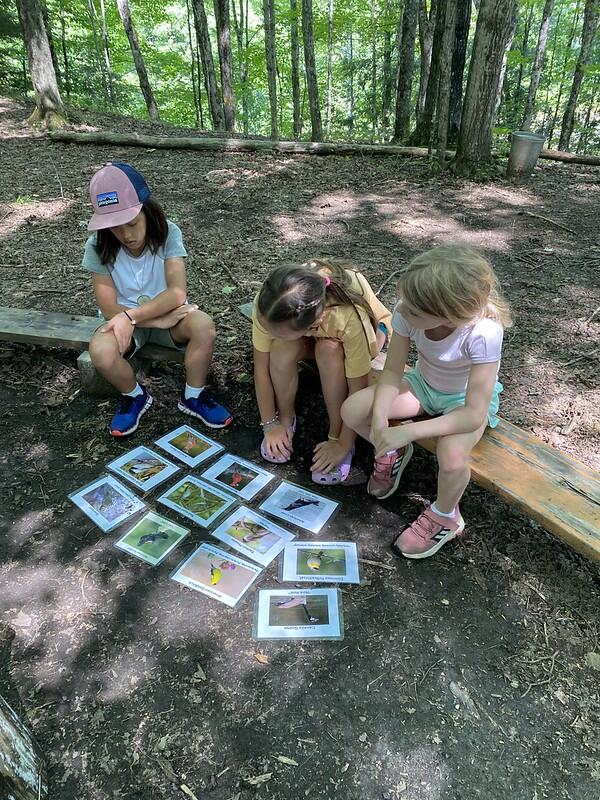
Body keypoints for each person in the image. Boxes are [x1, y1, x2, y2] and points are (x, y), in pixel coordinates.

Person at [341, 244, 512, 558]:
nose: (402, 312)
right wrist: (380, 419)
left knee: (451, 454)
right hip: (423, 385)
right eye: (406, 304)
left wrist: (407, 431)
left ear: (449, 314)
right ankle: (393, 454)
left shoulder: (483, 333)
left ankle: (446, 514)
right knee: (353, 409)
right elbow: (392, 372)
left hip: (463, 402)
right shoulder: (409, 311)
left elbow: (474, 414)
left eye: (414, 311)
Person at [82, 162, 232, 436]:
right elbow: (107, 307)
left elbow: (177, 292)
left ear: (146, 210)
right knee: (100, 352)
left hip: (155, 317)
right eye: (115, 227)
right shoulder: (97, 245)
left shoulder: (168, 232)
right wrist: (153, 319)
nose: (126, 235)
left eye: (132, 223)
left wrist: (136, 316)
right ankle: (134, 396)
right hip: (127, 321)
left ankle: (193, 396)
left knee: (203, 325)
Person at [253, 258, 391, 484]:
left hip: (368, 329)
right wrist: (270, 423)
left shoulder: (347, 316)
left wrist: (342, 443)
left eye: (276, 332)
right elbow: (261, 367)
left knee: (328, 349)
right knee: (280, 347)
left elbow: (358, 389)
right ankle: (287, 419)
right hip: (312, 330)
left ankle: (336, 433)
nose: (268, 334)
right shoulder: (271, 305)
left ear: (312, 325)